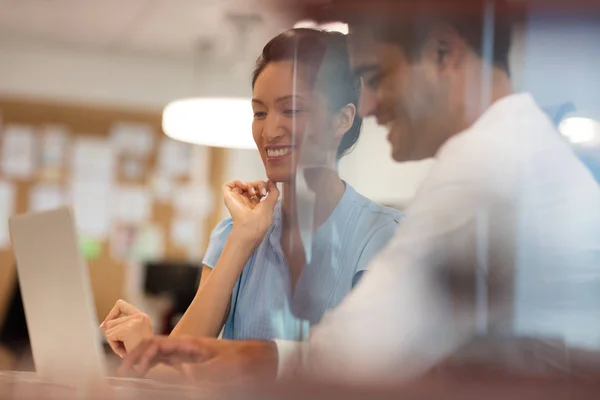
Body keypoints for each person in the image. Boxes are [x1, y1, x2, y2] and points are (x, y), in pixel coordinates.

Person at [118, 0, 600, 386]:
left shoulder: (485, 167)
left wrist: (179, 352)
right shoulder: (513, 148)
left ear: (442, 53)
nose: (367, 104)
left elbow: (356, 355)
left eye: (378, 77)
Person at [100, 28, 402, 359]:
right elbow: (180, 364)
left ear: (342, 119)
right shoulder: (234, 233)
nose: (269, 131)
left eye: (292, 110)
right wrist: (243, 239)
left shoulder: (384, 237)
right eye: (260, 112)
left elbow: (366, 371)